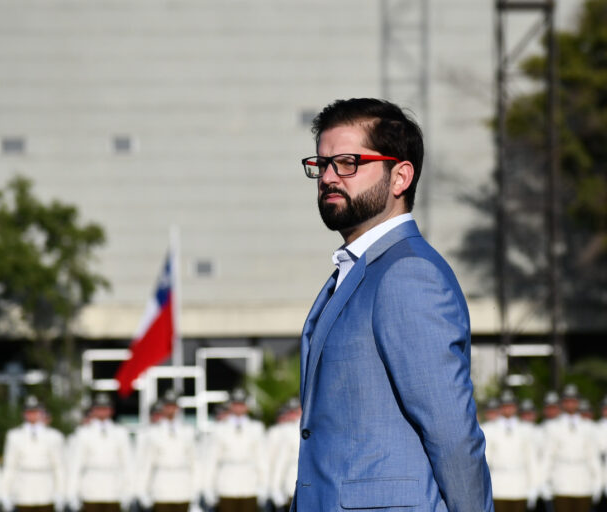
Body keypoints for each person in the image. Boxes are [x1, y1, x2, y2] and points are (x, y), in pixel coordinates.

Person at [292, 98, 493, 511]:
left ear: (400, 176)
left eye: (348, 162)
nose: (329, 176)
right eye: (323, 163)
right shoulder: (354, 272)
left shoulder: (407, 275)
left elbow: (451, 431)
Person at [66, 393, 133, 512]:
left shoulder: (120, 433)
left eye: (105, 408)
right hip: (90, 491)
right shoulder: (83, 433)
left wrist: (129, 491)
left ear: (111, 410)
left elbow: (128, 464)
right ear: (93, 410)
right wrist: (72, 492)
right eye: (99, 408)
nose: (102, 411)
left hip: (114, 490)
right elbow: (75, 466)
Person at [204, 389, 266, 512]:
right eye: (236, 404)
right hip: (226, 485)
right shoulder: (219, 428)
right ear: (230, 406)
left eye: (241, 404)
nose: (239, 408)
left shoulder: (256, 428)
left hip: (250, 485)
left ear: (247, 406)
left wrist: (264, 485)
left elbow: (262, 459)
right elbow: (211, 460)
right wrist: (208, 487)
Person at [542, 384, 601, 512]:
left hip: (583, 482)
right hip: (561, 481)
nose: (570, 404)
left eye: (573, 401)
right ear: (562, 403)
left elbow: (593, 456)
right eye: (567, 401)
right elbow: (548, 456)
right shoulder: (553, 426)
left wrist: (598, 480)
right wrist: (544, 481)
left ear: (578, 402)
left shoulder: (588, 427)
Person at [2, 396, 65, 512]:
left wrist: (60, 492)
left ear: (41, 413)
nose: (32, 415)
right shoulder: (14, 436)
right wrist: (5, 492)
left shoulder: (53, 436)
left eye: (35, 411)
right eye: (29, 412)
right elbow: (10, 467)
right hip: (23, 491)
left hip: (46, 490)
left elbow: (59, 467)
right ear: (24, 414)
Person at [483, 390, 538, 512]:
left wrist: (534, 485)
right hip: (498, 484)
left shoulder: (526, 429)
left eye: (511, 405)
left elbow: (531, 459)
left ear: (516, 407)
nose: (508, 409)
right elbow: (485, 460)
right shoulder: (489, 429)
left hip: (520, 484)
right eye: (505, 406)